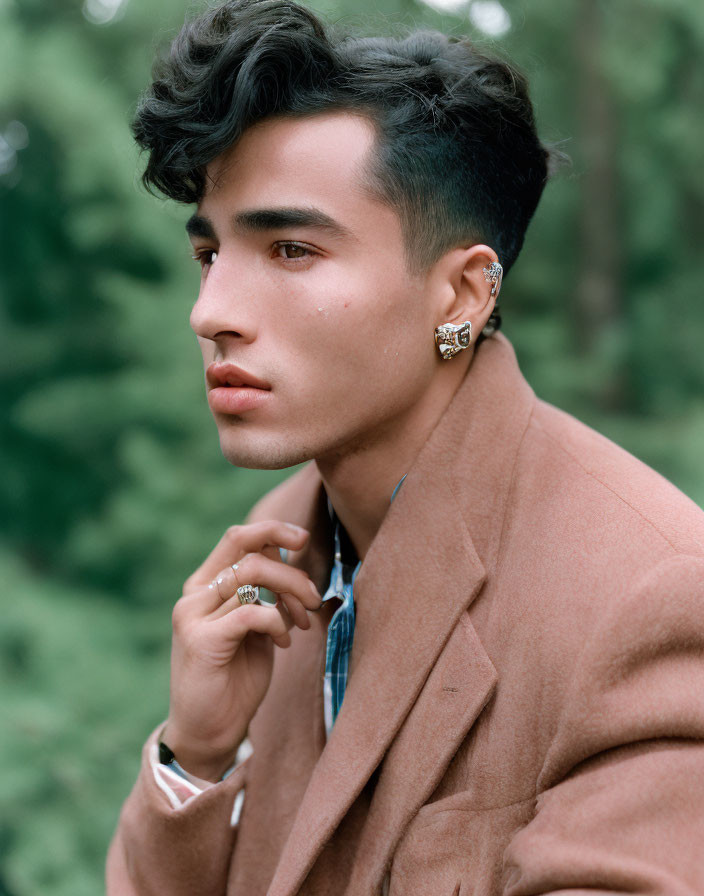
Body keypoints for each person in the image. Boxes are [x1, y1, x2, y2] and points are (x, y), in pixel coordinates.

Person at [107, 0, 704, 893]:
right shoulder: (279, 550)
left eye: (293, 249)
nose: (212, 314)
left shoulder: (651, 597)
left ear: (463, 294)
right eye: (210, 255)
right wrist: (195, 756)